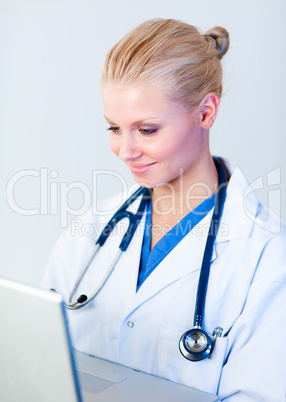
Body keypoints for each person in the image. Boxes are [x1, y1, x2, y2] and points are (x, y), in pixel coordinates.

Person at [42, 18, 286, 400]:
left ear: (206, 112)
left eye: (148, 129)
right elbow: (42, 364)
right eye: (114, 128)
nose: (126, 151)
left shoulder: (268, 257)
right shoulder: (92, 230)